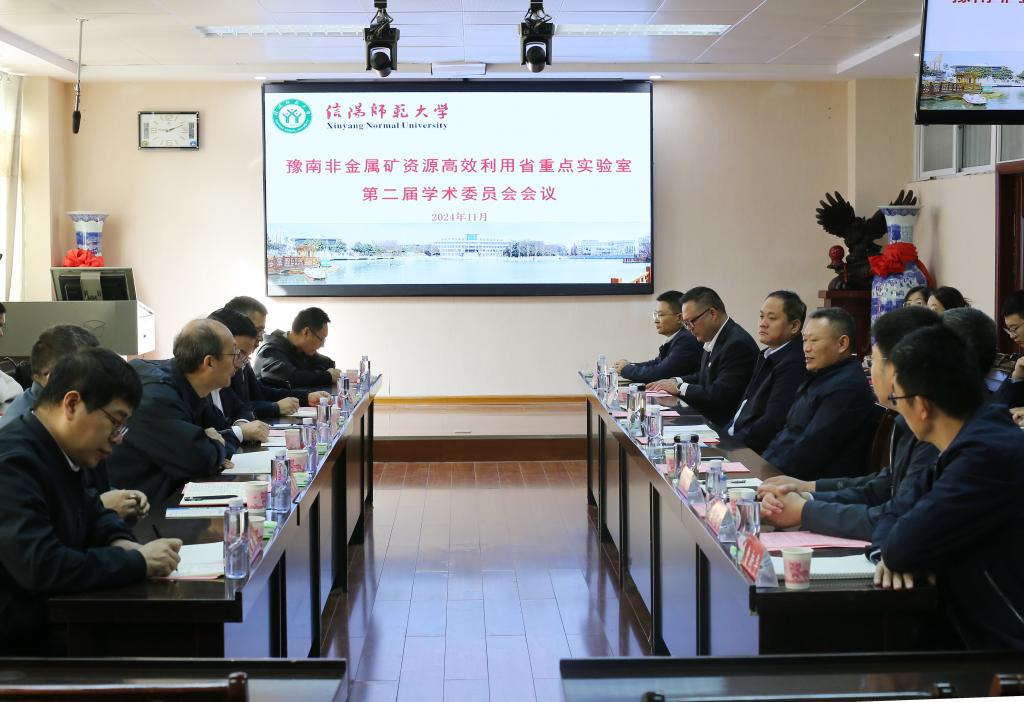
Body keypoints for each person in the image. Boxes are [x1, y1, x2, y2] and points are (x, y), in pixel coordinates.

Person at [0, 348, 182, 655]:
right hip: (20, 648)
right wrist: (138, 562)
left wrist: (122, 543)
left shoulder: (64, 449)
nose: (118, 438)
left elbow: (94, 511)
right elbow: (41, 565)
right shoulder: (14, 461)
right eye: (115, 421)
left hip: (57, 621)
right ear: (72, 404)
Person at [871, 325, 1024, 650]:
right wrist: (897, 552)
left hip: (1007, 651)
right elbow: (894, 512)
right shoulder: (970, 440)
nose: (898, 408)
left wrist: (901, 553)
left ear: (922, 406)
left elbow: (902, 546)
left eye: (898, 398)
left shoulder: (986, 456)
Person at [758, 306, 943, 539]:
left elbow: (900, 521)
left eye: (873, 360)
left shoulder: (939, 433)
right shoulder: (908, 422)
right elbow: (884, 485)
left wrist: (805, 509)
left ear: (899, 368)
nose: (870, 370)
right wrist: (806, 495)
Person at [0, 324, 148, 521]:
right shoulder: (18, 446)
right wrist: (101, 507)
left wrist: (117, 499)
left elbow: (87, 490)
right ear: (55, 376)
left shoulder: (77, 424)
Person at [105, 319, 242, 506]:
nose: (238, 363)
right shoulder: (156, 396)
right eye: (234, 354)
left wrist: (213, 441)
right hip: (136, 509)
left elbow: (220, 431)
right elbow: (201, 459)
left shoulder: (192, 386)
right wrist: (215, 443)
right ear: (209, 362)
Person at [760, 308, 878, 480]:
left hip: (814, 485)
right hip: (782, 474)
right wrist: (762, 465)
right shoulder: (822, 375)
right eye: (804, 340)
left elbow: (809, 451)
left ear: (842, 344)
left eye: (814, 341)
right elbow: (787, 433)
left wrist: (765, 476)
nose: (806, 349)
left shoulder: (846, 387)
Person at [646, 287, 757, 427]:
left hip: (724, 426)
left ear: (712, 313)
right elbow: (705, 376)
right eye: (686, 323)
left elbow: (720, 395)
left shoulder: (737, 344)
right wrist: (675, 381)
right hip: (708, 417)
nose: (689, 328)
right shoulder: (712, 336)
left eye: (691, 322)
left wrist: (679, 387)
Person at [727, 291, 809, 453]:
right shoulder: (767, 353)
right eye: (761, 316)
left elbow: (772, 422)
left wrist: (728, 446)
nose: (763, 323)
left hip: (752, 451)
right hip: (735, 438)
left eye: (771, 318)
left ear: (794, 326)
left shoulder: (794, 363)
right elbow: (744, 407)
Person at [223, 296, 328, 419]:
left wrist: (305, 397)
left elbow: (260, 392)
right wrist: (275, 407)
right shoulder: (269, 350)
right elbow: (234, 409)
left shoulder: (242, 358)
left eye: (262, 331)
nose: (260, 337)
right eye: (257, 330)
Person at [205, 309, 271, 443]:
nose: (240, 365)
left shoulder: (220, 383)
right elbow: (203, 443)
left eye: (245, 357)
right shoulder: (180, 392)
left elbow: (242, 407)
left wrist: (241, 424)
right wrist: (239, 432)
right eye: (238, 354)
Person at [614, 290, 701, 383]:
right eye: (655, 315)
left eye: (660, 315)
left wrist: (626, 369)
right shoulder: (677, 338)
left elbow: (659, 373)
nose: (656, 321)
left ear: (679, 318)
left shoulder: (686, 340)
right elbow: (658, 363)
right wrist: (629, 365)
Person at [254, 306, 341, 393]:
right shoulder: (270, 349)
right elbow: (290, 377)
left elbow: (328, 363)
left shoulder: (302, 349)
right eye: (321, 339)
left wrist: (322, 373)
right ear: (306, 332)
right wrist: (327, 376)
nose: (322, 345)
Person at [996, 290, 1024, 409]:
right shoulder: (1021, 359)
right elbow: (997, 405)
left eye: (1014, 329)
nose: (1012, 336)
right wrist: (1016, 378)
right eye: (1009, 330)